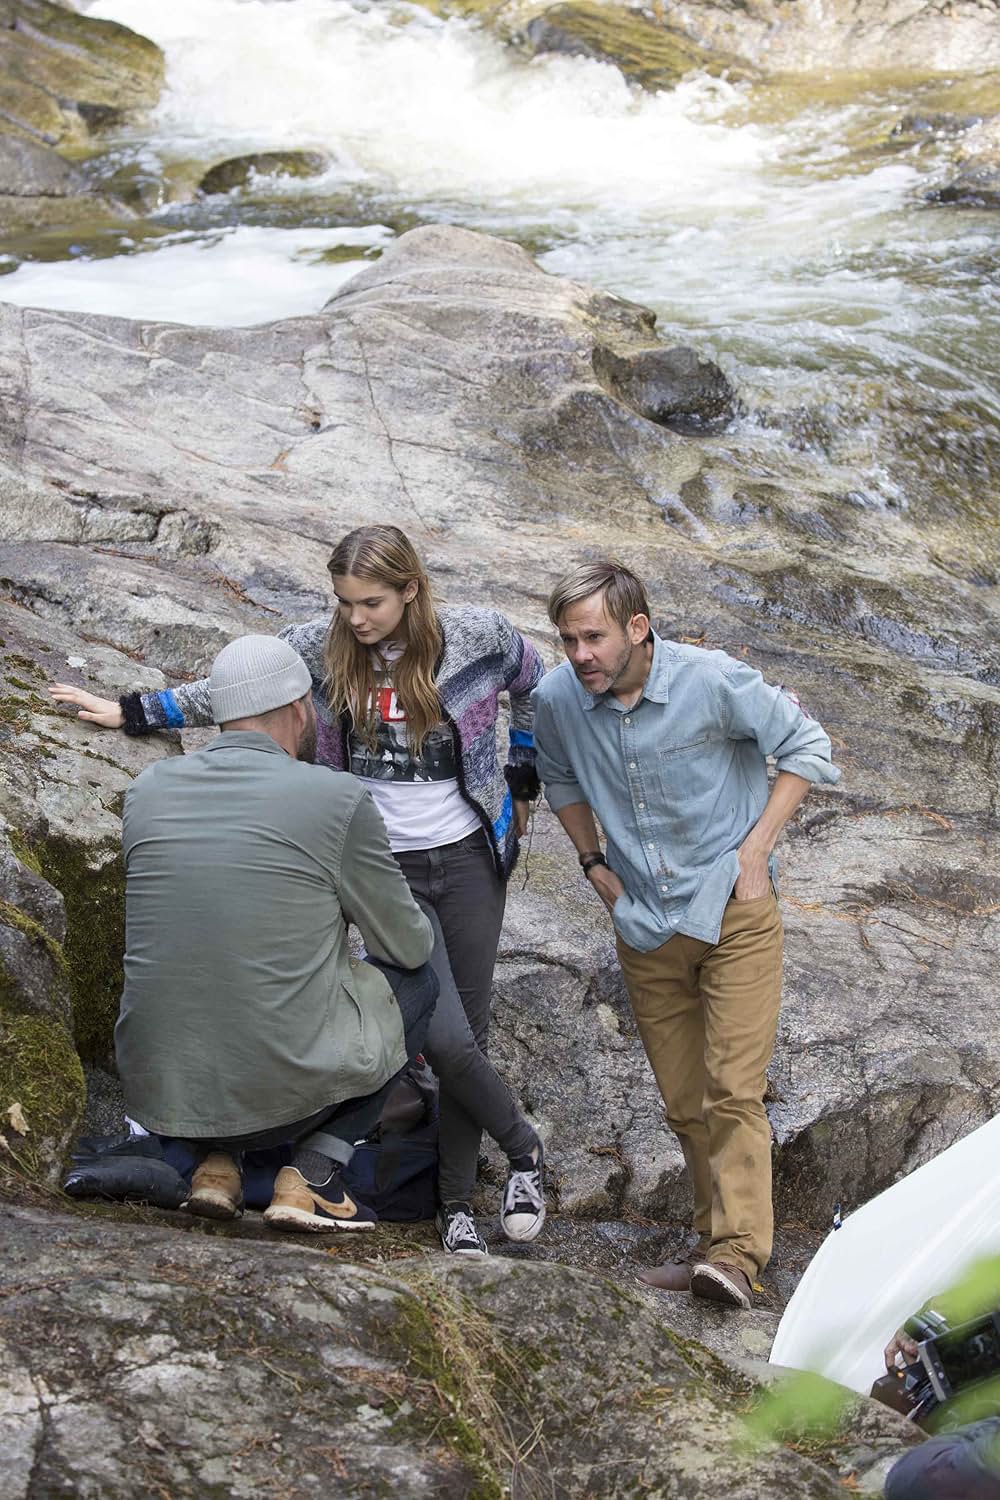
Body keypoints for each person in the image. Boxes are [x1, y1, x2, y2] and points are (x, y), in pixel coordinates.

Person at [51, 525, 547, 1256]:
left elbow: (533, 679)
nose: (356, 617)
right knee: (437, 1034)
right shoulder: (320, 645)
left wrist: (523, 765)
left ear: (411, 590)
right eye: (345, 601)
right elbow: (233, 695)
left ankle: (455, 1204)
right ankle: (519, 1154)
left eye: (372, 602)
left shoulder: (479, 635)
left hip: (468, 855)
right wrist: (132, 711)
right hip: (382, 857)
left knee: (463, 1040)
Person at [531, 560, 840, 1310]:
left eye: (594, 638)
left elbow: (808, 748)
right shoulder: (557, 698)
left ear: (637, 628)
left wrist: (757, 847)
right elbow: (561, 780)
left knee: (734, 1088)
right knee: (683, 1100)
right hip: (644, 922)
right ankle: (710, 1244)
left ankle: (738, 1256)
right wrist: (592, 863)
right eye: (569, 640)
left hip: (732, 912)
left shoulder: (713, 680)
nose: (580, 656)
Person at [117, 632, 439, 1232]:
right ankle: (313, 1171)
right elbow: (408, 945)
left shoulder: (147, 789)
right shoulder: (334, 796)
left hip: (162, 1097)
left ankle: (214, 1166)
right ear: (300, 710)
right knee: (418, 983)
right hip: (280, 1102)